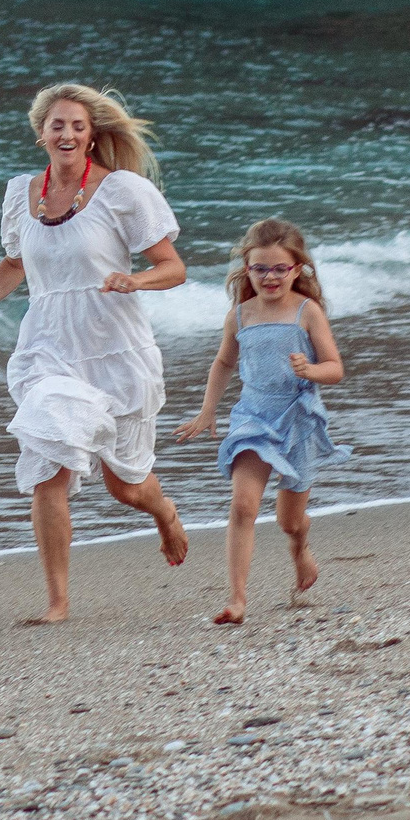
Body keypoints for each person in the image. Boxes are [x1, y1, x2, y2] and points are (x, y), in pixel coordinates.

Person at [0, 84, 191, 622]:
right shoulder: (22, 193)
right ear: (41, 133)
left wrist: (136, 281)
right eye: (57, 125)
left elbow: (173, 267)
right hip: (48, 349)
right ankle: (57, 601)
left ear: (91, 136)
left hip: (115, 348)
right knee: (47, 465)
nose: (66, 134)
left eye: (77, 126)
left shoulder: (121, 191)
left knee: (127, 487)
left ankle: (165, 513)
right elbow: (16, 262)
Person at [174, 218, 351, 625]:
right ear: (246, 270)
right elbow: (223, 362)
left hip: (297, 418)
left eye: (279, 269)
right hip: (252, 416)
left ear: (297, 269)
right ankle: (237, 599)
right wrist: (207, 410)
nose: (269, 277)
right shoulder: (240, 315)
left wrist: (311, 369)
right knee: (242, 506)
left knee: (290, 521)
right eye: (260, 269)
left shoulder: (308, 312)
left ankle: (300, 547)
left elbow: (335, 368)